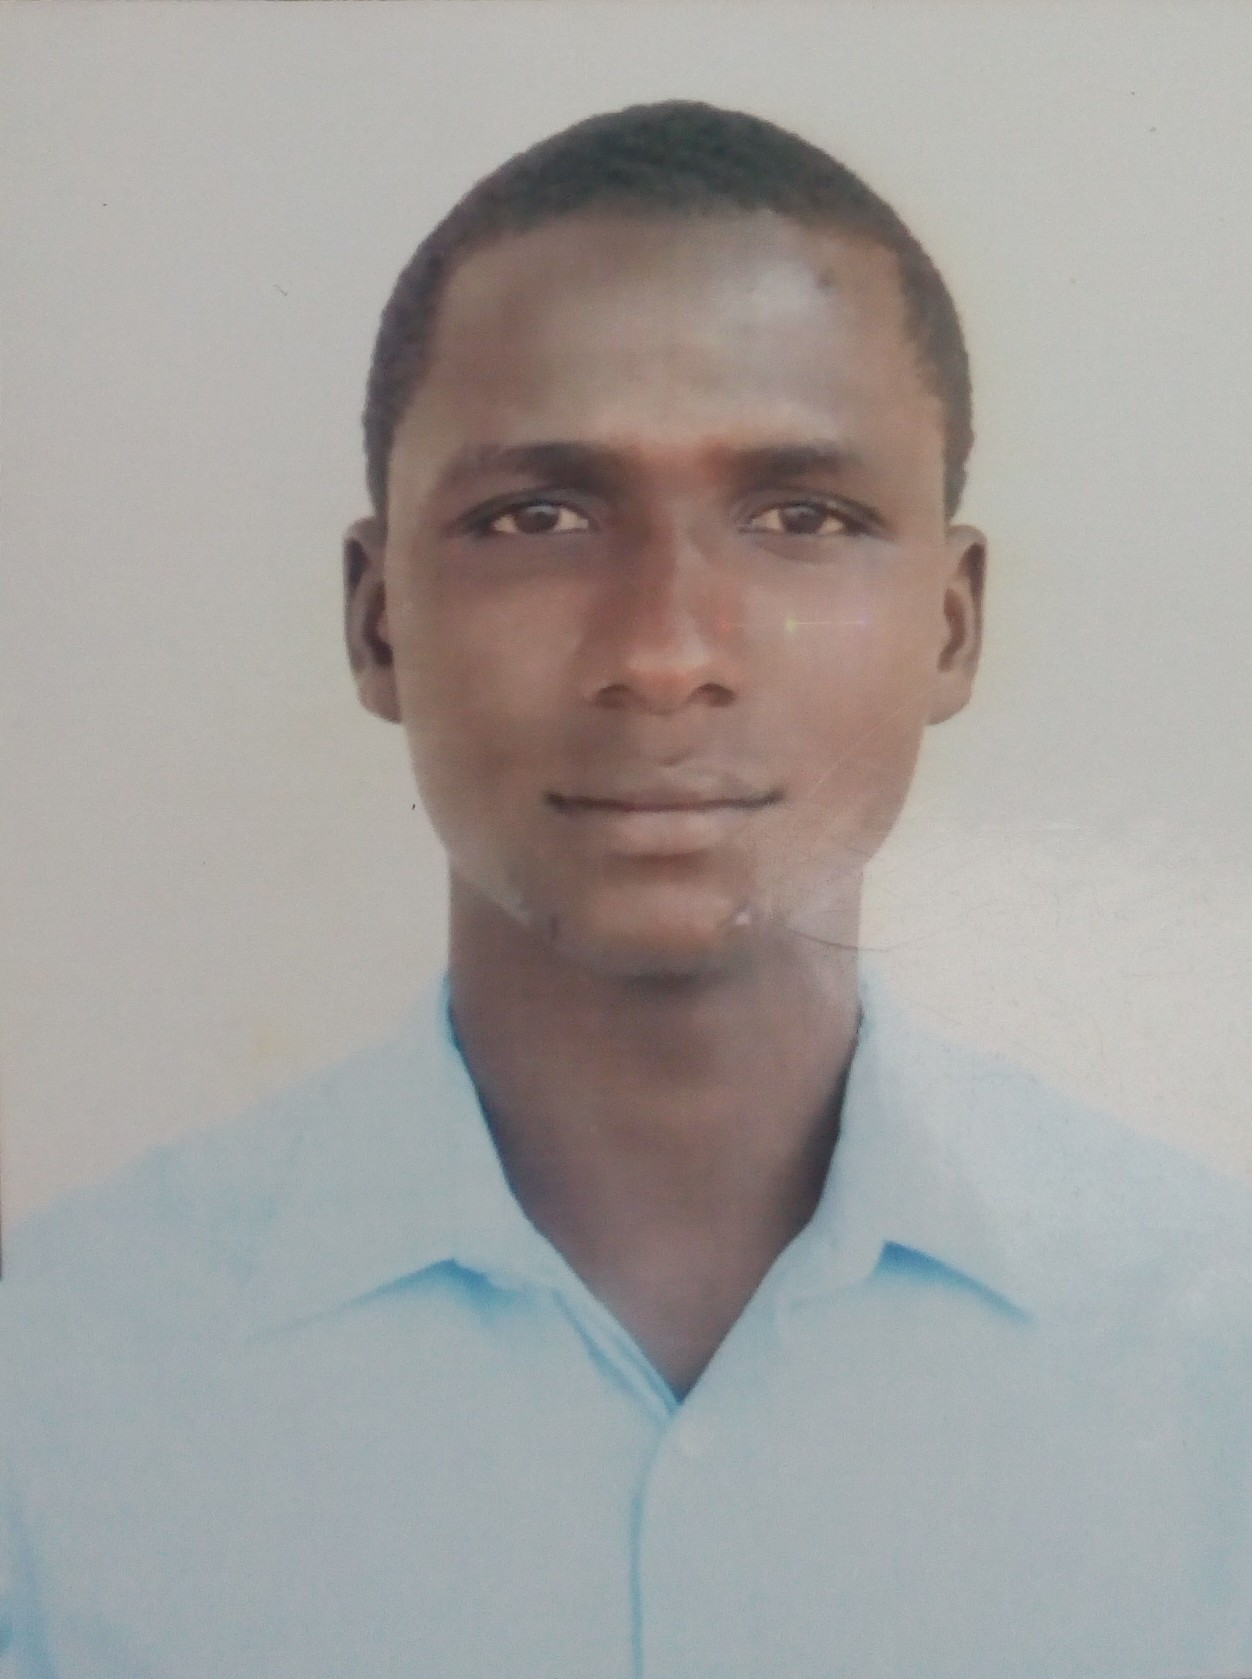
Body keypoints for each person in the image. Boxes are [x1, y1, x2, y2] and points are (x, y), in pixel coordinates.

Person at [1, 100, 1249, 1679]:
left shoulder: (1213, 1366)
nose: (664, 652)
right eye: (538, 517)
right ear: (378, 621)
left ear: (951, 625)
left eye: (802, 518)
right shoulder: (51, 1388)